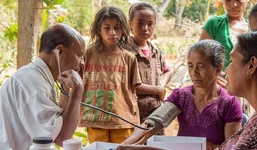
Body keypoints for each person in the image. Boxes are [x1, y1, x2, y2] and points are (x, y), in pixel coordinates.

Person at [119, 39, 243, 150]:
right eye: (190, 66)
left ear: (218, 68)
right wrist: (127, 143)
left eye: (201, 66)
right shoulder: (180, 96)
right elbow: (153, 122)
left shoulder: (229, 103)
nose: (194, 72)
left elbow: (232, 146)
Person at [0, 23, 85, 149]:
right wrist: (78, 89)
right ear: (60, 51)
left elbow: (59, 120)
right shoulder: (34, 84)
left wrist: (66, 87)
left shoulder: (38, 76)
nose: (82, 62)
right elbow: (61, 137)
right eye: (79, 55)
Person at [78, 6, 142, 144]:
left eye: (117, 28)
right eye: (106, 28)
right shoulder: (87, 55)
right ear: (98, 30)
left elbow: (133, 92)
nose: (112, 33)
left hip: (122, 120)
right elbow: (77, 83)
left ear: (123, 29)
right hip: (95, 119)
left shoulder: (129, 58)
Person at [123, 2, 173, 131]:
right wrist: (157, 90)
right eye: (140, 23)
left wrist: (161, 85)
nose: (145, 28)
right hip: (132, 116)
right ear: (130, 24)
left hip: (156, 116)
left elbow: (168, 70)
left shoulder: (156, 50)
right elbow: (128, 85)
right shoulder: (124, 52)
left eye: (150, 24)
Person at [199, 0, 249, 69]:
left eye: (238, 0)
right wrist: (215, 75)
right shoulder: (214, 24)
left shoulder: (254, 27)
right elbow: (200, 55)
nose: (234, 4)